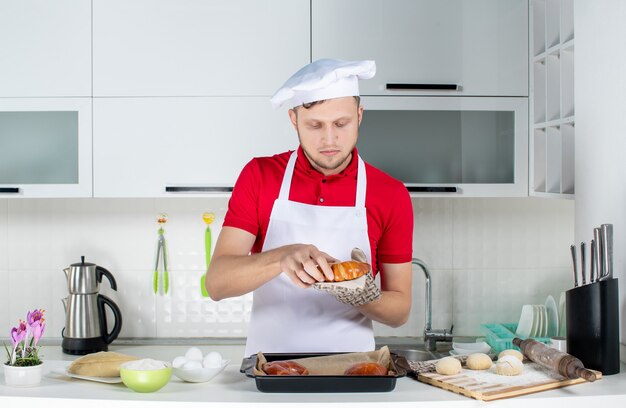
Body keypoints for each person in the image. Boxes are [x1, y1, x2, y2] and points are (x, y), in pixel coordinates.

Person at [206, 59, 414, 355]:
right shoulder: (260, 176)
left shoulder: (390, 194)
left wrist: (358, 294)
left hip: (353, 370)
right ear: (294, 119)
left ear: (359, 115)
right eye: (314, 125)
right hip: (270, 372)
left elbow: (400, 311)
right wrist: (281, 257)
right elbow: (217, 284)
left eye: (341, 124)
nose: (329, 139)